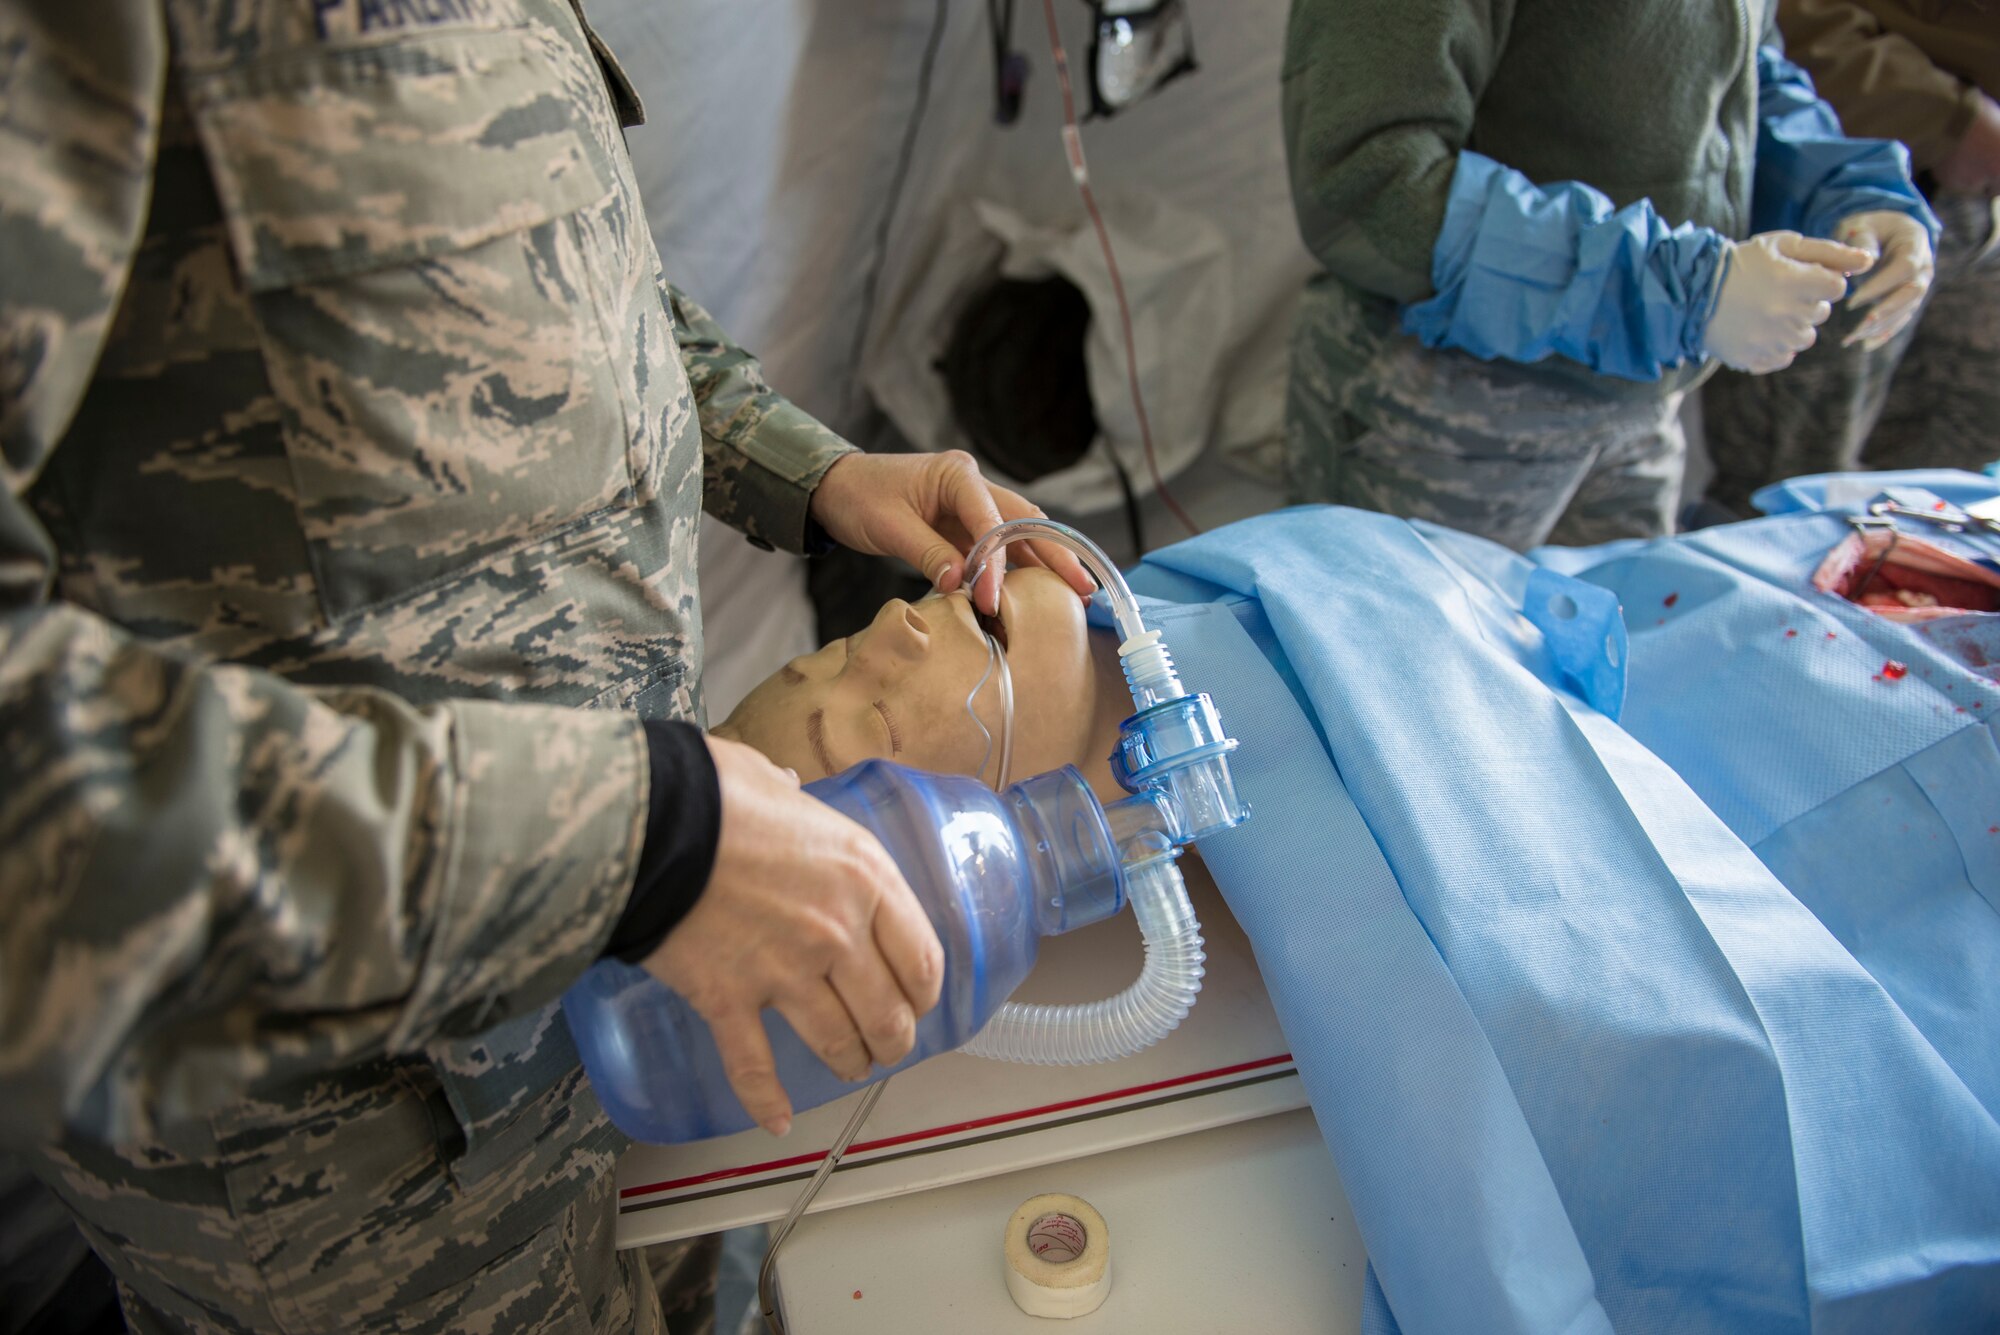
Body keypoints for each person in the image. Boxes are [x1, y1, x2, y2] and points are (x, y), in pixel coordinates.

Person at [0, 2, 1093, 1331]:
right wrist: (642, 838)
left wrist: (800, 466)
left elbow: (537, 284)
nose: (925, 619)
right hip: (345, 1145)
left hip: (594, 1015)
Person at [712, 506, 2000, 1332]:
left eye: (820, 649)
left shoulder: (1189, 594)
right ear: (940, 865)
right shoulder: (1401, 950)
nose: (879, 624)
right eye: (851, 703)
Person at [1280, 0, 1939, 551]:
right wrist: (1669, 289)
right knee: (1409, 694)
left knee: (1604, 685)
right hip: (1442, 419)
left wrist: (1849, 189)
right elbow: (1367, 177)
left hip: (1641, 398)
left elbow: (1734, 70)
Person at [1704, 0, 2000, 512]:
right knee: (1782, 499)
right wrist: (1947, 119)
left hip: (1956, 208)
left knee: (1954, 513)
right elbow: (1771, 32)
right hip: (1857, 173)